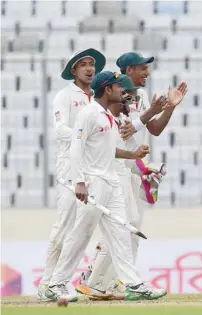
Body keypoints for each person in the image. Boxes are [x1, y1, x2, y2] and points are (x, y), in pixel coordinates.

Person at [44, 71, 167, 302]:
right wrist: (79, 181)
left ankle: (133, 285)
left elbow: (109, 149)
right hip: (93, 182)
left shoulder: (108, 116)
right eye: (119, 87)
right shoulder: (88, 114)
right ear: (108, 89)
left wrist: (132, 154)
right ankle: (56, 284)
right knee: (82, 233)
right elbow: (76, 148)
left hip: (111, 183)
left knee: (120, 234)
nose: (123, 91)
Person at [37, 48, 106, 302]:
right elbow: (59, 131)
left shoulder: (98, 98)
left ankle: (76, 282)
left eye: (92, 64)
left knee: (84, 228)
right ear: (73, 70)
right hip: (70, 167)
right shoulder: (65, 96)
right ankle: (46, 283)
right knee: (64, 225)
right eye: (84, 65)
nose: (90, 68)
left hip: (93, 167)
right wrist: (86, 136)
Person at [114, 52, 187, 265]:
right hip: (119, 168)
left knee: (134, 225)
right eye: (142, 68)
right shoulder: (116, 94)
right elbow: (125, 131)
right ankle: (98, 277)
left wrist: (170, 107)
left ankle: (124, 280)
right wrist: (152, 111)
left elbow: (154, 128)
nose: (147, 72)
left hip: (137, 169)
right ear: (129, 70)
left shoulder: (142, 95)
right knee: (121, 225)